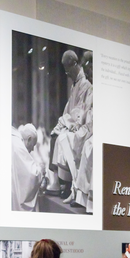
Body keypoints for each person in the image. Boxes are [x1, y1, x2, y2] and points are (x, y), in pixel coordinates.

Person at [45, 50, 93, 200]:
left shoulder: (85, 85)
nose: (66, 73)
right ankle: (58, 183)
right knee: (54, 135)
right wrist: (64, 120)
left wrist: (68, 122)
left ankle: (67, 185)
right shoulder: (75, 85)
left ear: (74, 64)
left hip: (82, 127)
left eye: (67, 69)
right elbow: (69, 109)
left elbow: (80, 112)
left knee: (62, 138)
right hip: (73, 123)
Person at [11, 123, 45, 211]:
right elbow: (32, 174)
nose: (33, 149)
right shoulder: (18, 146)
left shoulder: (13, 139)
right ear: (29, 139)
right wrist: (41, 170)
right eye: (33, 145)